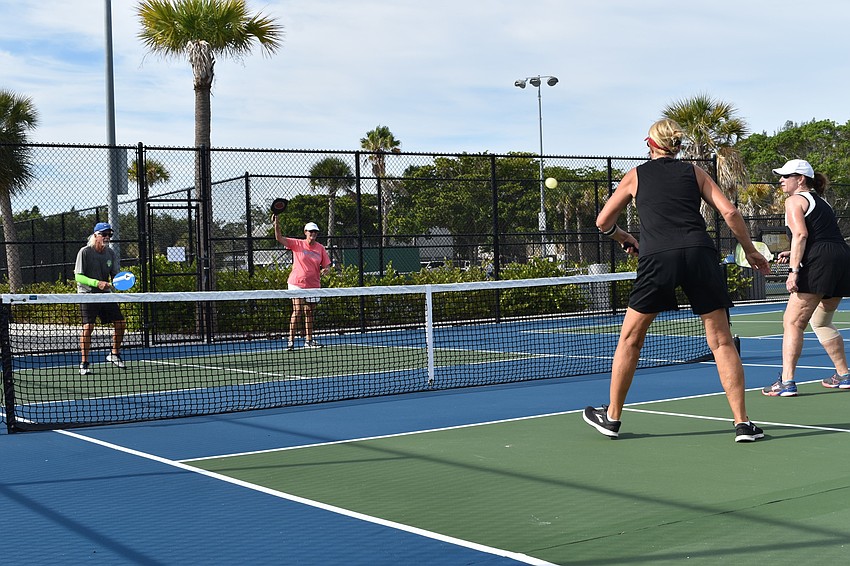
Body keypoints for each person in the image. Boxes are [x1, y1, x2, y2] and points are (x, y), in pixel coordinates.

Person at [582, 118, 771, 442]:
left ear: (649, 144)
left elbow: (602, 221)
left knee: (630, 340)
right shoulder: (694, 172)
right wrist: (750, 250)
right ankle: (742, 423)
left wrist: (622, 235)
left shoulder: (635, 176)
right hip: (699, 253)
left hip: (657, 258)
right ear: (678, 147)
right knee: (722, 342)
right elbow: (730, 213)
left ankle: (612, 417)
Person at [761, 159, 850, 397]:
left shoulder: (794, 200)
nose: (780, 180)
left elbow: (800, 234)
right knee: (820, 322)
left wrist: (793, 272)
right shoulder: (822, 203)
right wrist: (794, 254)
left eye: (785, 176)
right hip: (841, 259)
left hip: (821, 261)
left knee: (792, 322)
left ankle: (787, 382)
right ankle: (843, 374)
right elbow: (822, 237)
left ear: (800, 179)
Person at [74, 222, 126, 375]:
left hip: (105, 295)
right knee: (88, 327)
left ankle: (114, 354)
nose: (107, 237)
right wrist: (97, 283)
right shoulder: (84, 252)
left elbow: (115, 275)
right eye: (104, 234)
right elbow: (78, 276)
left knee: (121, 323)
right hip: (87, 295)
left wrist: (121, 282)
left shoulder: (110, 253)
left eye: (110, 235)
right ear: (95, 235)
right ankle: (84, 363)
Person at [274, 215, 332, 349]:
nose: (313, 234)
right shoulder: (297, 244)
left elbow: (327, 265)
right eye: (311, 232)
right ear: (305, 232)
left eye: (315, 232)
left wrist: (326, 270)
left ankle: (309, 341)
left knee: (309, 312)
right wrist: (276, 222)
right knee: (298, 310)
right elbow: (279, 237)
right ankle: (290, 340)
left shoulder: (320, 248)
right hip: (297, 283)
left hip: (313, 285)